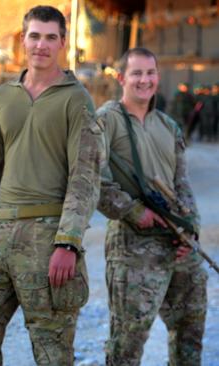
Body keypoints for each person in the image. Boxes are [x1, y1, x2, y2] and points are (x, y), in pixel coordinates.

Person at [0, 5, 103, 365]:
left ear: (63, 43)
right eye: (34, 36)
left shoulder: (76, 99)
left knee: (52, 348)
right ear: (23, 40)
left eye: (51, 37)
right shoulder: (3, 97)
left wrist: (68, 240)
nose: (41, 45)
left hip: (49, 233)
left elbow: (85, 176)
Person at [96, 47, 207, 366]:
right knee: (127, 343)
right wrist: (135, 212)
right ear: (122, 78)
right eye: (137, 73)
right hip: (133, 245)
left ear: (158, 77)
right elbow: (94, 181)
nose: (144, 80)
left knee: (190, 333)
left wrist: (191, 230)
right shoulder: (106, 121)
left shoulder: (168, 126)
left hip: (177, 245)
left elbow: (182, 184)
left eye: (150, 73)